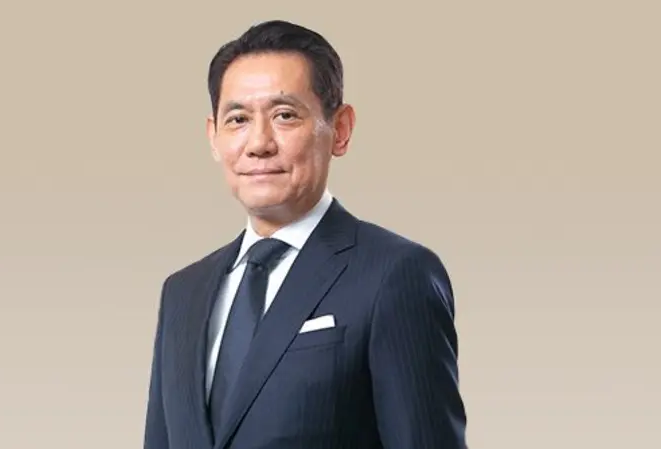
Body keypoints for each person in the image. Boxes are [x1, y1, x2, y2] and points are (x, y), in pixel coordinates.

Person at [142, 19, 468, 449]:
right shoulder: (182, 293)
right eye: (237, 119)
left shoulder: (394, 275)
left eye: (285, 115)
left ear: (340, 129)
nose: (259, 143)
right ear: (213, 137)